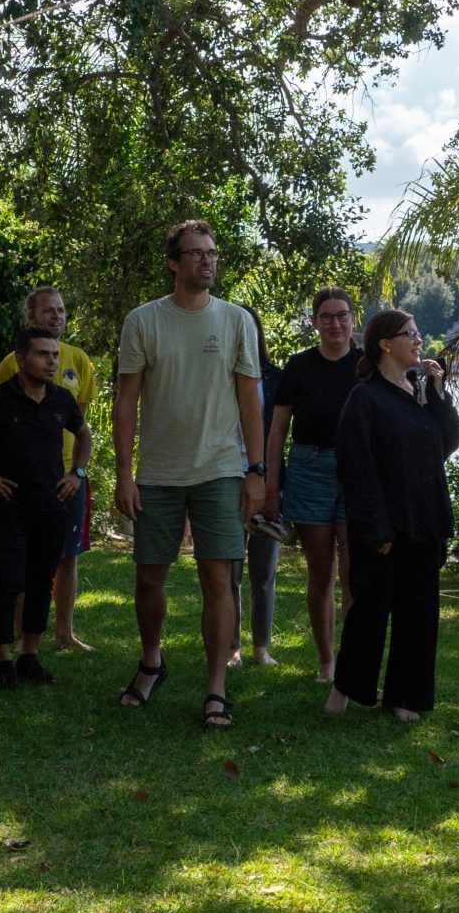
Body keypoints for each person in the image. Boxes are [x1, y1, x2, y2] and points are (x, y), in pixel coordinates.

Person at [113, 219, 267, 729]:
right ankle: (151, 662)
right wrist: (124, 474)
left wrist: (256, 470)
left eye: (212, 253)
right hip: (158, 473)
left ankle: (216, 688)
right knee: (149, 576)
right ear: (173, 263)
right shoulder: (143, 321)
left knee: (217, 577)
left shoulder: (236, 320)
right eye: (196, 253)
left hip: (219, 469)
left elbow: (250, 401)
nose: (207, 260)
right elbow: (126, 401)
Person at [328, 310, 459, 720]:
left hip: (425, 520)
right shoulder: (365, 398)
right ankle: (344, 688)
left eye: (418, 333)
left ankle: (403, 697)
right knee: (369, 612)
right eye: (411, 334)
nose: (419, 340)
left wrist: (438, 391)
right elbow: (355, 467)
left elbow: (449, 440)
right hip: (385, 525)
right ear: (386, 344)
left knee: (418, 616)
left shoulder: (420, 394)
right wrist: (376, 528)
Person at [0, 326, 94, 688]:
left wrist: (77, 474)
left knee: (41, 583)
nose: (51, 362)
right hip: (9, 505)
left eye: (54, 355)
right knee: (8, 582)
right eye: (43, 354)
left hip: (52, 505)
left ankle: (29, 657)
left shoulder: (61, 400)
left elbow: (84, 435)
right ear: (21, 360)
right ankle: (2, 661)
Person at [0, 287, 100, 651]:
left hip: (67, 478)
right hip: (24, 481)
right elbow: (0, 419)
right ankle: (22, 633)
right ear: (30, 318)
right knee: (24, 560)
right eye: (48, 311)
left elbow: (79, 424)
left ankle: (64, 634)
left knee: (67, 558)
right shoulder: (11, 364)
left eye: (61, 310)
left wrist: (77, 473)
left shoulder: (78, 360)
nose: (57, 316)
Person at [268, 286, 361, 681]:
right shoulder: (298, 366)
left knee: (354, 575)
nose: (335, 324)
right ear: (315, 322)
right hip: (309, 470)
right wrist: (271, 486)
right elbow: (277, 431)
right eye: (326, 317)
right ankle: (327, 664)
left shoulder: (368, 365)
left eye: (342, 316)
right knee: (321, 574)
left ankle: (354, 665)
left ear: (353, 319)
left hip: (358, 472)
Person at [238, 302, 282, 669]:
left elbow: (282, 435)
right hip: (225, 479)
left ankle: (260, 647)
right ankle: (231, 647)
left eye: (248, 328)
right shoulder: (217, 374)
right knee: (228, 569)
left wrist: (272, 482)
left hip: (268, 481)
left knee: (264, 572)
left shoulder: (276, 377)